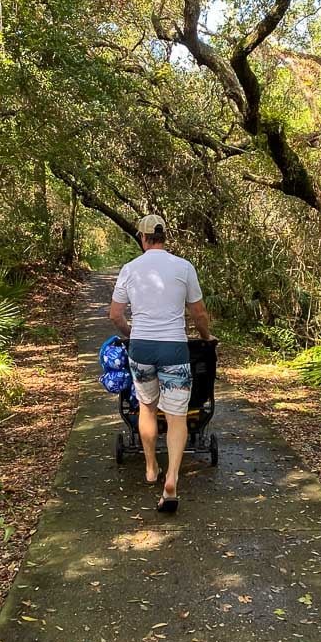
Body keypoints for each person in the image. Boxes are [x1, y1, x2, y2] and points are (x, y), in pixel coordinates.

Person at [108, 214, 214, 514]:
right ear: (164, 237)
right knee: (177, 415)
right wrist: (205, 337)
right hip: (175, 350)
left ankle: (152, 467)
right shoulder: (183, 267)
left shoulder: (130, 269)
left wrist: (132, 335)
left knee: (146, 408)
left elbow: (115, 315)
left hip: (141, 348)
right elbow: (199, 312)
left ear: (142, 238)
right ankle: (172, 478)